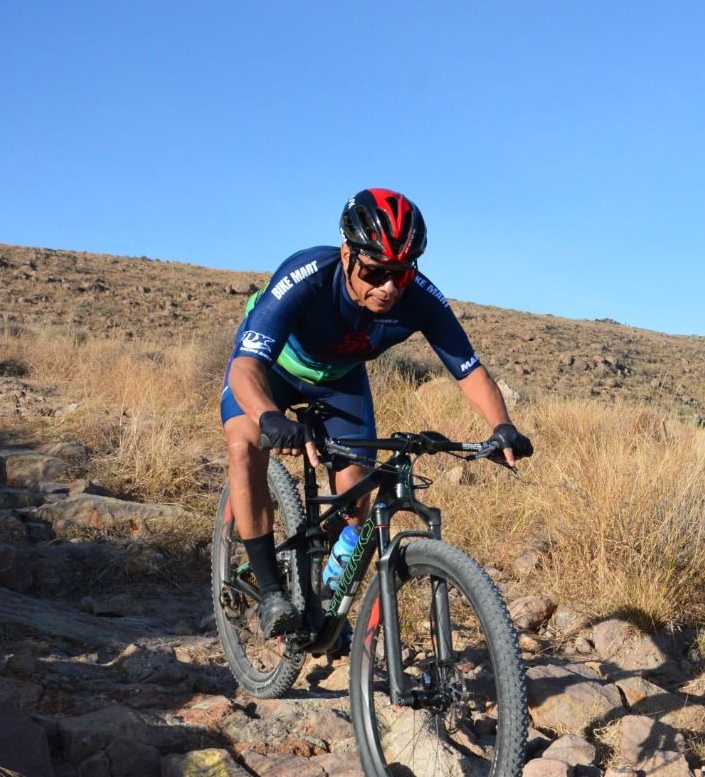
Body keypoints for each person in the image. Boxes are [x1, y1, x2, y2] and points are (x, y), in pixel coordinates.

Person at [221, 189, 532, 635]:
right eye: (375, 272)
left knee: (356, 496)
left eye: (401, 275)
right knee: (245, 444)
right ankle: (270, 590)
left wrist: (502, 426)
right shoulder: (308, 274)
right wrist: (270, 417)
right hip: (273, 370)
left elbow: (468, 370)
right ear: (348, 254)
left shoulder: (419, 297)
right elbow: (246, 367)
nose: (388, 287)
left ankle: (326, 596)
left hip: (339, 377)